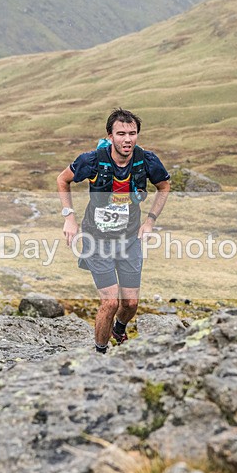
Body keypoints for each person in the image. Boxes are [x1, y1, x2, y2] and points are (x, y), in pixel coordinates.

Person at [57, 109, 171, 353]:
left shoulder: (147, 160)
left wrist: (150, 221)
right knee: (110, 302)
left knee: (130, 303)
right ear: (110, 136)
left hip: (129, 240)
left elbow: (164, 186)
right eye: (121, 134)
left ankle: (119, 329)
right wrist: (69, 217)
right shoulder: (92, 160)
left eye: (132, 133)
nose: (127, 139)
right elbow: (62, 180)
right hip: (96, 240)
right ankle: (100, 352)